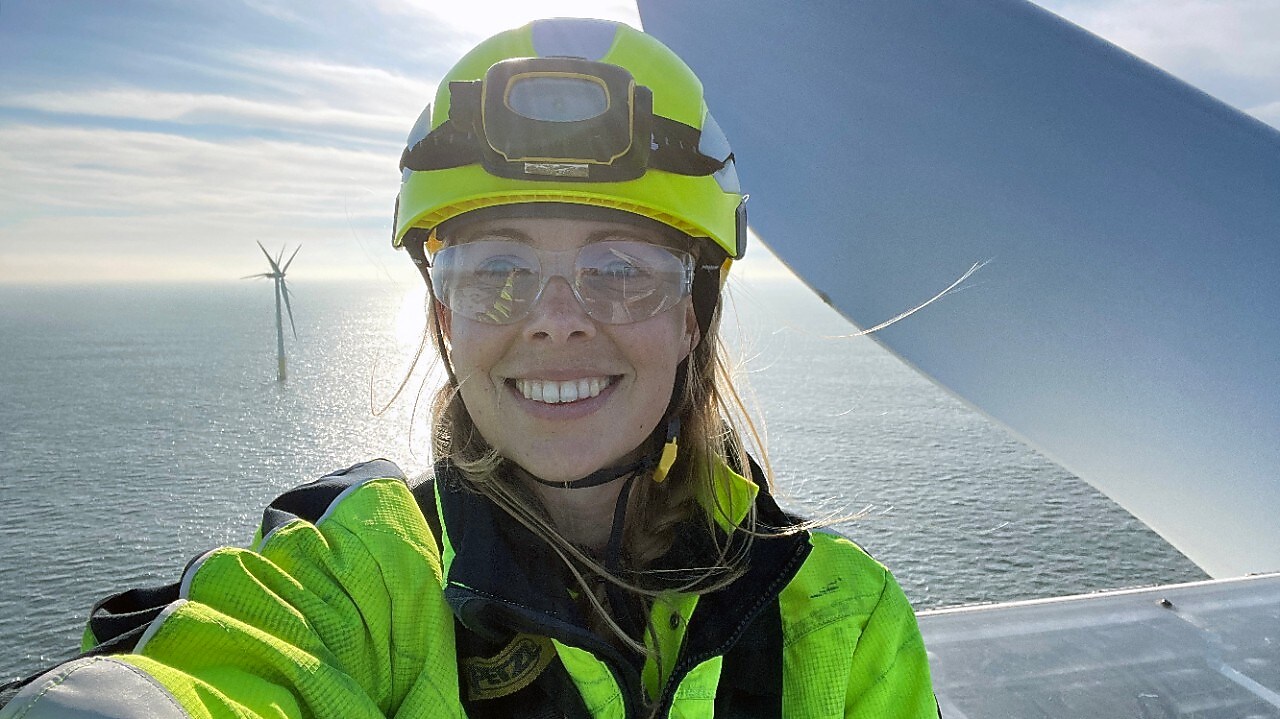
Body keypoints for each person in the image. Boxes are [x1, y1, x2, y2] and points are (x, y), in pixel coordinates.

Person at [0, 18, 938, 718]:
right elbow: (218, 669)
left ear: (693, 313)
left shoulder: (840, 616)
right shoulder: (364, 577)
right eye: (497, 271)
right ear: (444, 312)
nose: (556, 321)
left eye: (620, 270)